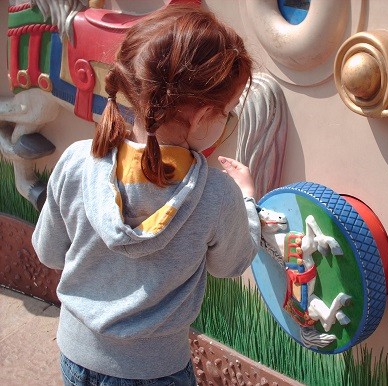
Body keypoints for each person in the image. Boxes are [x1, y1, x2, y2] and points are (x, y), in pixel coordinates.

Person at [32, 4, 261, 385]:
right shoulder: (218, 194)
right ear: (204, 117)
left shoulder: (75, 162)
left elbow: (48, 252)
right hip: (156, 371)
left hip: (75, 356)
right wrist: (247, 200)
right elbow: (229, 264)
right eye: (229, 112)